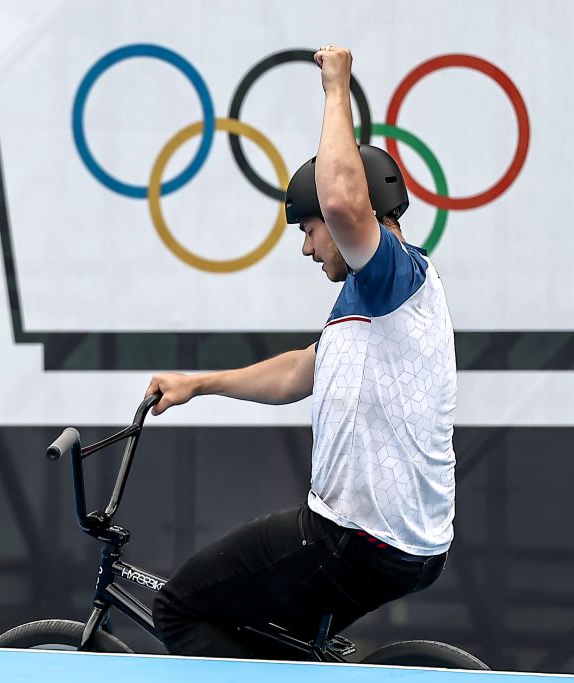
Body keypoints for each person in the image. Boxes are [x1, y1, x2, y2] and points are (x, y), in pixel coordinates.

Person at [148, 45, 457, 659]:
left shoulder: (392, 273)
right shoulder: (372, 305)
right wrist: (198, 384)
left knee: (179, 608)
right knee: (264, 631)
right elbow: (297, 372)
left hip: (352, 538)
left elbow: (344, 203)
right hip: (406, 547)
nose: (309, 248)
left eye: (309, 230)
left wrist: (336, 87)